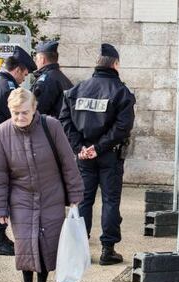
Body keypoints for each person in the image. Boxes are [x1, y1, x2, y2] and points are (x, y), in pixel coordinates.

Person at [0, 88, 84, 282]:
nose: (19, 117)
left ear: (34, 109)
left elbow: (67, 164)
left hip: (51, 194)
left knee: (46, 245)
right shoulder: (1, 133)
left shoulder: (52, 126)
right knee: (25, 244)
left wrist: (75, 195)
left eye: (24, 112)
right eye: (15, 113)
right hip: (20, 197)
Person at [60, 43, 135, 265]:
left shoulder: (78, 89)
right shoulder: (122, 92)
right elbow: (122, 127)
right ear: (115, 64)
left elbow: (64, 120)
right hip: (109, 155)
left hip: (84, 156)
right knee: (111, 201)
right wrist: (99, 148)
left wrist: (80, 147)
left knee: (83, 201)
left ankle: (80, 248)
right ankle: (107, 250)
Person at [0, 46, 37, 256]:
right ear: (19, 70)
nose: (24, 80)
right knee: (4, 190)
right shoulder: (9, 89)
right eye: (25, 74)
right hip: (4, 146)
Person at [31, 41, 73, 118]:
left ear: (42, 59)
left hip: (48, 128)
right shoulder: (62, 78)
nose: (35, 62)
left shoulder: (46, 80)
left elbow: (37, 111)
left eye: (36, 58)